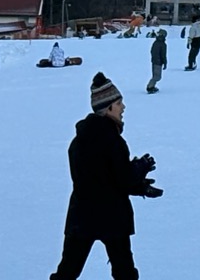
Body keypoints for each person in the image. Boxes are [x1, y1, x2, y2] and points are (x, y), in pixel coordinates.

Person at [49, 72, 163, 280]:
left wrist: (140, 186)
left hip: (82, 216)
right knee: (124, 273)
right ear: (108, 107)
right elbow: (122, 179)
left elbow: (101, 178)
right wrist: (140, 168)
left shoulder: (79, 141)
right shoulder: (113, 141)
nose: (123, 108)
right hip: (112, 217)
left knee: (67, 272)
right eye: (119, 103)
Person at [146, 29, 166, 93]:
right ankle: (150, 87)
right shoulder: (161, 44)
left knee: (156, 75)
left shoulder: (157, 42)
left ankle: (152, 86)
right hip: (157, 62)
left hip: (156, 61)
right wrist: (164, 61)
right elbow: (163, 54)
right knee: (157, 76)